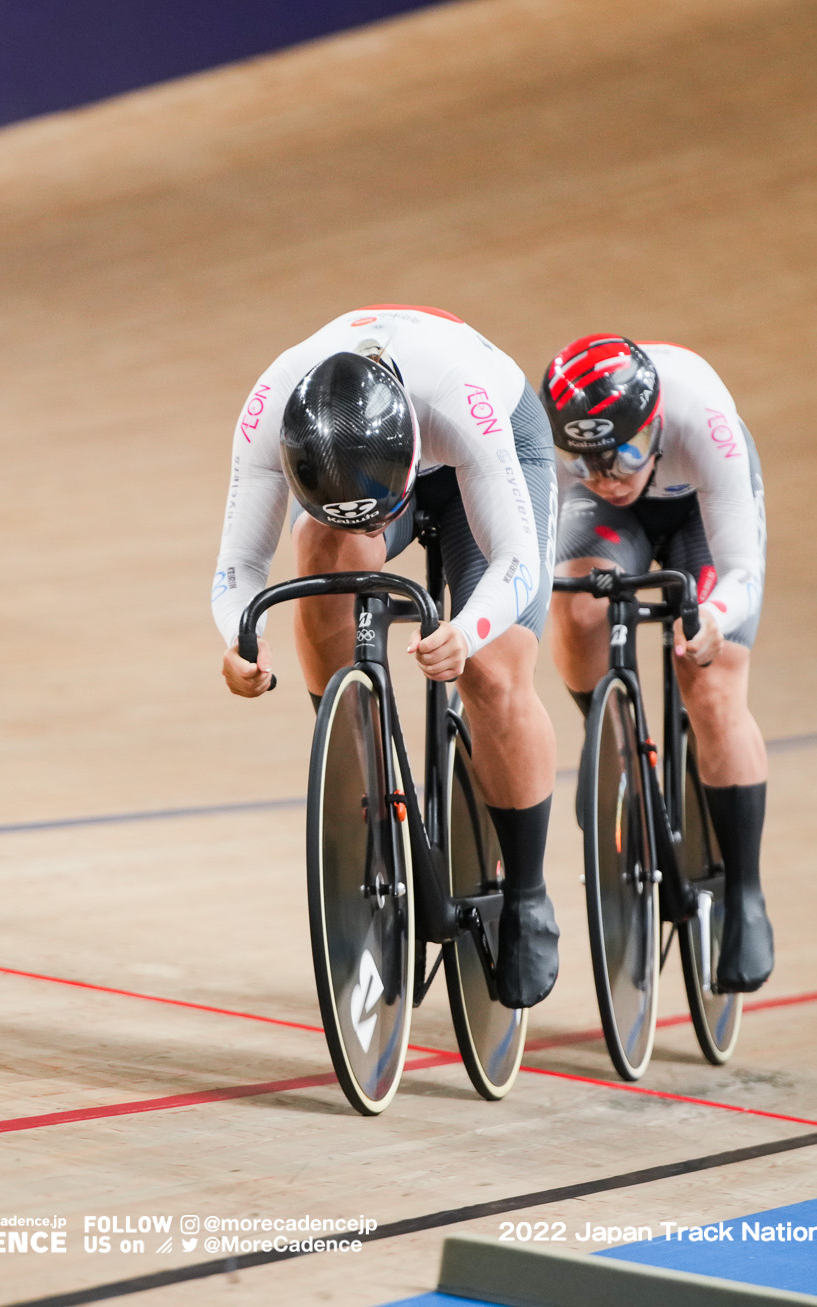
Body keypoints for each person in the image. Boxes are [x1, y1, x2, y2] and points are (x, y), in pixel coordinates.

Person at [214, 305, 562, 1008]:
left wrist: (467, 631)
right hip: (364, 475)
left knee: (494, 669)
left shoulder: (458, 397)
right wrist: (238, 641)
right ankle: (352, 752)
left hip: (492, 451)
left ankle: (525, 890)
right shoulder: (271, 407)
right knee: (320, 550)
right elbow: (239, 567)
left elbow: (518, 562)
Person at [541, 334, 772, 991]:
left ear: (654, 424)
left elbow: (741, 573)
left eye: (622, 456)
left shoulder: (705, 421)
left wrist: (715, 621)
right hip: (617, 525)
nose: (606, 476)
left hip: (698, 512)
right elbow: (535, 559)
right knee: (579, 606)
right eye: (585, 461)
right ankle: (607, 736)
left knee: (711, 682)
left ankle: (746, 893)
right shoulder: (575, 454)